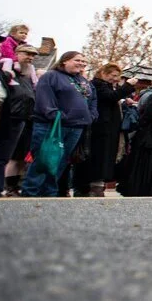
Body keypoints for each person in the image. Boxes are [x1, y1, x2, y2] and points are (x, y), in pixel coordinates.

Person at [20, 52, 97, 197]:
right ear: (64, 61)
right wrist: (55, 114)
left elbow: (93, 99)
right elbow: (44, 98)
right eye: (77, 60)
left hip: (76, 127)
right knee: (44, 159)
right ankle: (30, 193)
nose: (81, 63)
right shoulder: (51, 76)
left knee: (60, 161)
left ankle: (49, 193)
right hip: (52, 125)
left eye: (83, 61)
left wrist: (91, 115)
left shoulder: (83, 81)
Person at [0, 44, 40, 197]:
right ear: (17, 53)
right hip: (7, 116)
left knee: (6, 156)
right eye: (26, 54)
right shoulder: (6, 68)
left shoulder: (29, 74)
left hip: (23, 118)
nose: (30, 58)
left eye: (33, 55)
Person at [85, 64, 138, 197]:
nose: (116, 79)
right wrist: (128, 85)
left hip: (111, 128)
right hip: (101, 127)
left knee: (107, 157)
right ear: (103, 73)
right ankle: (94, 186)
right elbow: (111, 97)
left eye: (117, 76)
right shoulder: (97, 84)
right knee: (99, 157)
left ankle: (100, 185)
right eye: (113, 76)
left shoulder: (108, 86)